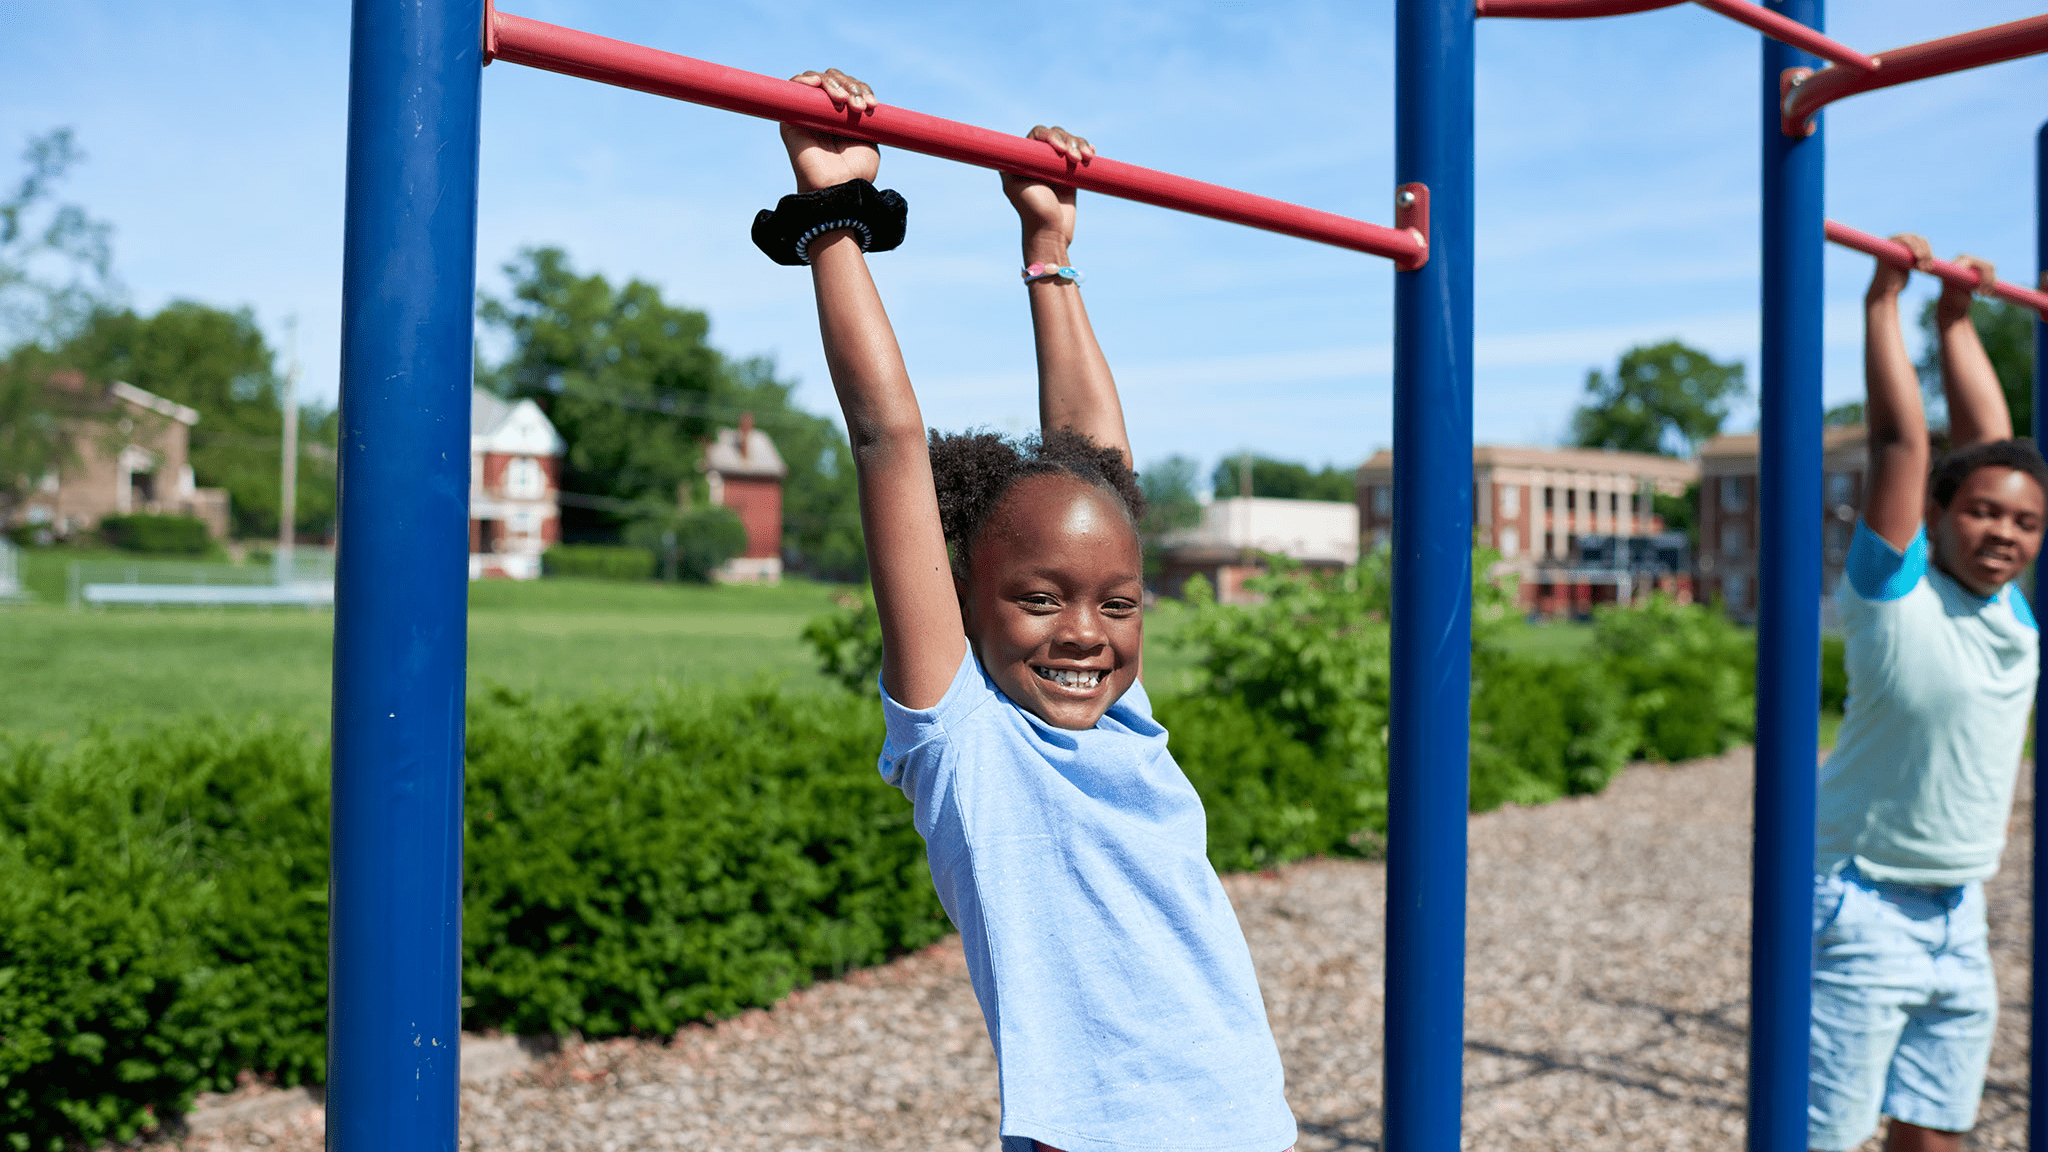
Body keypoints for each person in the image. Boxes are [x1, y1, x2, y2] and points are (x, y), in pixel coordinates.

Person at [761, 69, 1297, 1152]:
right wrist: (832, 220)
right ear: (963, 599)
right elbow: (887, 439)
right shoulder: (963, 737)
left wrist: (1049, 256)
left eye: (1115, 603)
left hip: (1249, 1126)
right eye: (1038, 598)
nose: (1083, 634)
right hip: (1091, 1140)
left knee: (1094, 495)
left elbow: (1099, 466)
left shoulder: (1123, 718)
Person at [1810, 234, 2046, 1152]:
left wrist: (1958, 319)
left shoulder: (2014, 616)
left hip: (1961, 911)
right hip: (1860, 902)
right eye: (1981, 512)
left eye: (2025, 522)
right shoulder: (1893, 594)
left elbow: (1995, 447)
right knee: (1823, 1137)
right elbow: (1905, 442)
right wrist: (1886, 303)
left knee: (1935, 1132)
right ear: (1937, 517)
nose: (2002, 532)